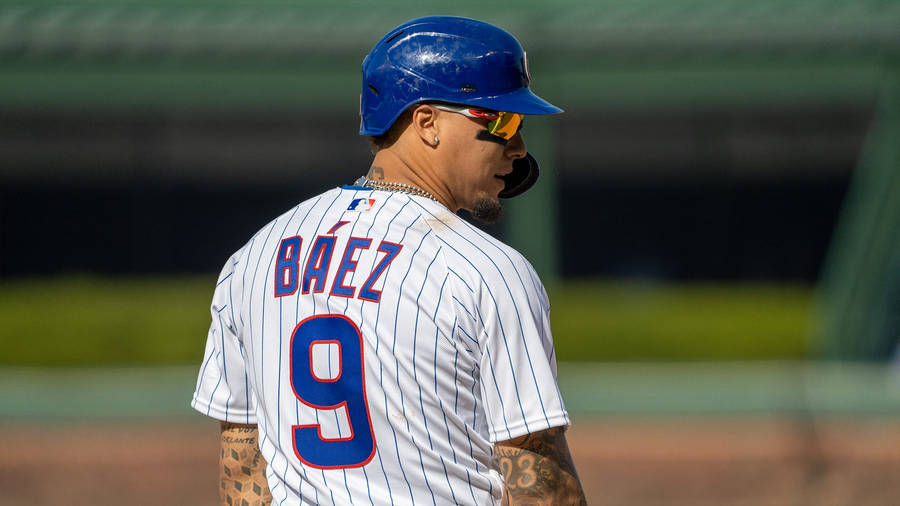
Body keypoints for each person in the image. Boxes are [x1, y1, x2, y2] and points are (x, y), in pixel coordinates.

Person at [192, 15, 586, 505]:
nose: (519, 148)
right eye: (502, 122)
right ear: (427, 123)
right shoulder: (488, 271)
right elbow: (538, 480)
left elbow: (241, 462)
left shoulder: (253, 258)